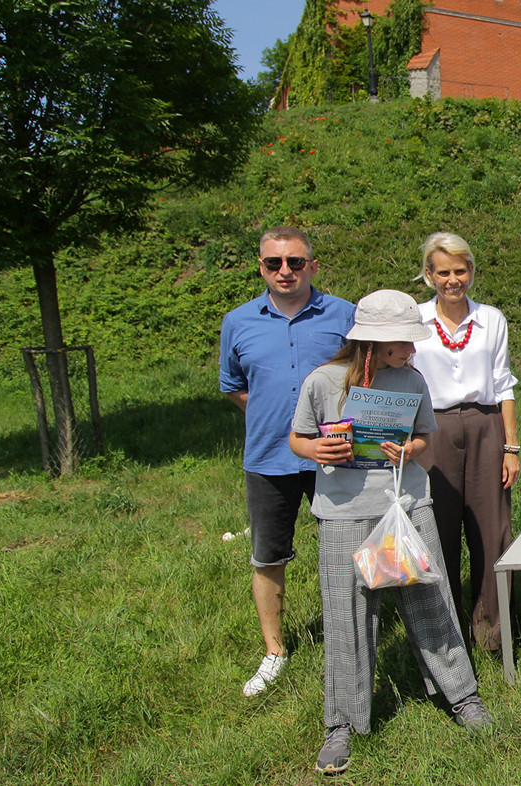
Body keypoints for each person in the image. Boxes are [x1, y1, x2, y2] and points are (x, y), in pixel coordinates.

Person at [288, 289, 493, 776]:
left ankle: (461, 695)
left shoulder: (413, 380)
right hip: (342, 511)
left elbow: (426, 436)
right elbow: (297, 437)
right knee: (347, 613)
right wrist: (317, 452)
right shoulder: (322, 382)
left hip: (405, 504)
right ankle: (340, 724)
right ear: (373, 344)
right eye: (402, 343)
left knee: (431, 597)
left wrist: (410, 450)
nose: (411, 349)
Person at [219, 226, 355, 697]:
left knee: (345, 549)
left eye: (295, 262)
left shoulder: (345, 315)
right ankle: (274, 651)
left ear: (312, 266)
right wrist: (278, 419)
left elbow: (363, 377)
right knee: (268, 556)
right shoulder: (237, 322)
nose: (284, 271)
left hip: (334, 457)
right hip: (267, 458)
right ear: (261, 267)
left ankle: (351, 636)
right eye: (274, 263)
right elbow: (234, 386)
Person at [409, 232, 520, 653]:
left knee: (491, 530)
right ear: (429, 275)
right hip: (432, 427)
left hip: (484, 424)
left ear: (471, 271)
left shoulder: (492, 319)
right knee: (438, 529)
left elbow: (503, 385)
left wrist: (510, 447)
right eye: (443, 272)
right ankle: (446, 631)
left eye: (460, 270)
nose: (452, 280)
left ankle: (492, 630)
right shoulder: (415, 320)